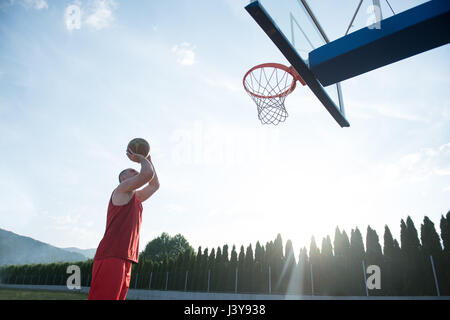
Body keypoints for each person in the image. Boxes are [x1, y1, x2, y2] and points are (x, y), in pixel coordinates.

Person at [88, 147, 160, 300]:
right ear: (123, 178)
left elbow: (154, 185)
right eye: (131, 171)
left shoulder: (136, 197)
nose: (136, 172)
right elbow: (147, 174)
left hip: (125, 257)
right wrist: (141, 159)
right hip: (111, 254)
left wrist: (148, 158)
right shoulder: (121, 190)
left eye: (136, 170)